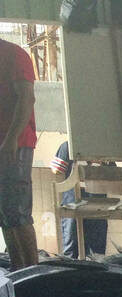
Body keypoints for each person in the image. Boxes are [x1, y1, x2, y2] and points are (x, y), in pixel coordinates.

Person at [0, 38, 38, 269]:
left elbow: (27, 98)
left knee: (17, 212)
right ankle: (18, 268)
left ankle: (33, 271)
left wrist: (11, 138)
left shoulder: (14, 55)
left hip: (15, 144)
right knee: (5, 213)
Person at [51, 141, 108, 259]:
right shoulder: (102, 146)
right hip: (88, 202)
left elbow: (57, 170)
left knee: (74, 247)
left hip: (78, 201)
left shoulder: (68, 145)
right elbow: (57, 169)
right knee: (93, 250)